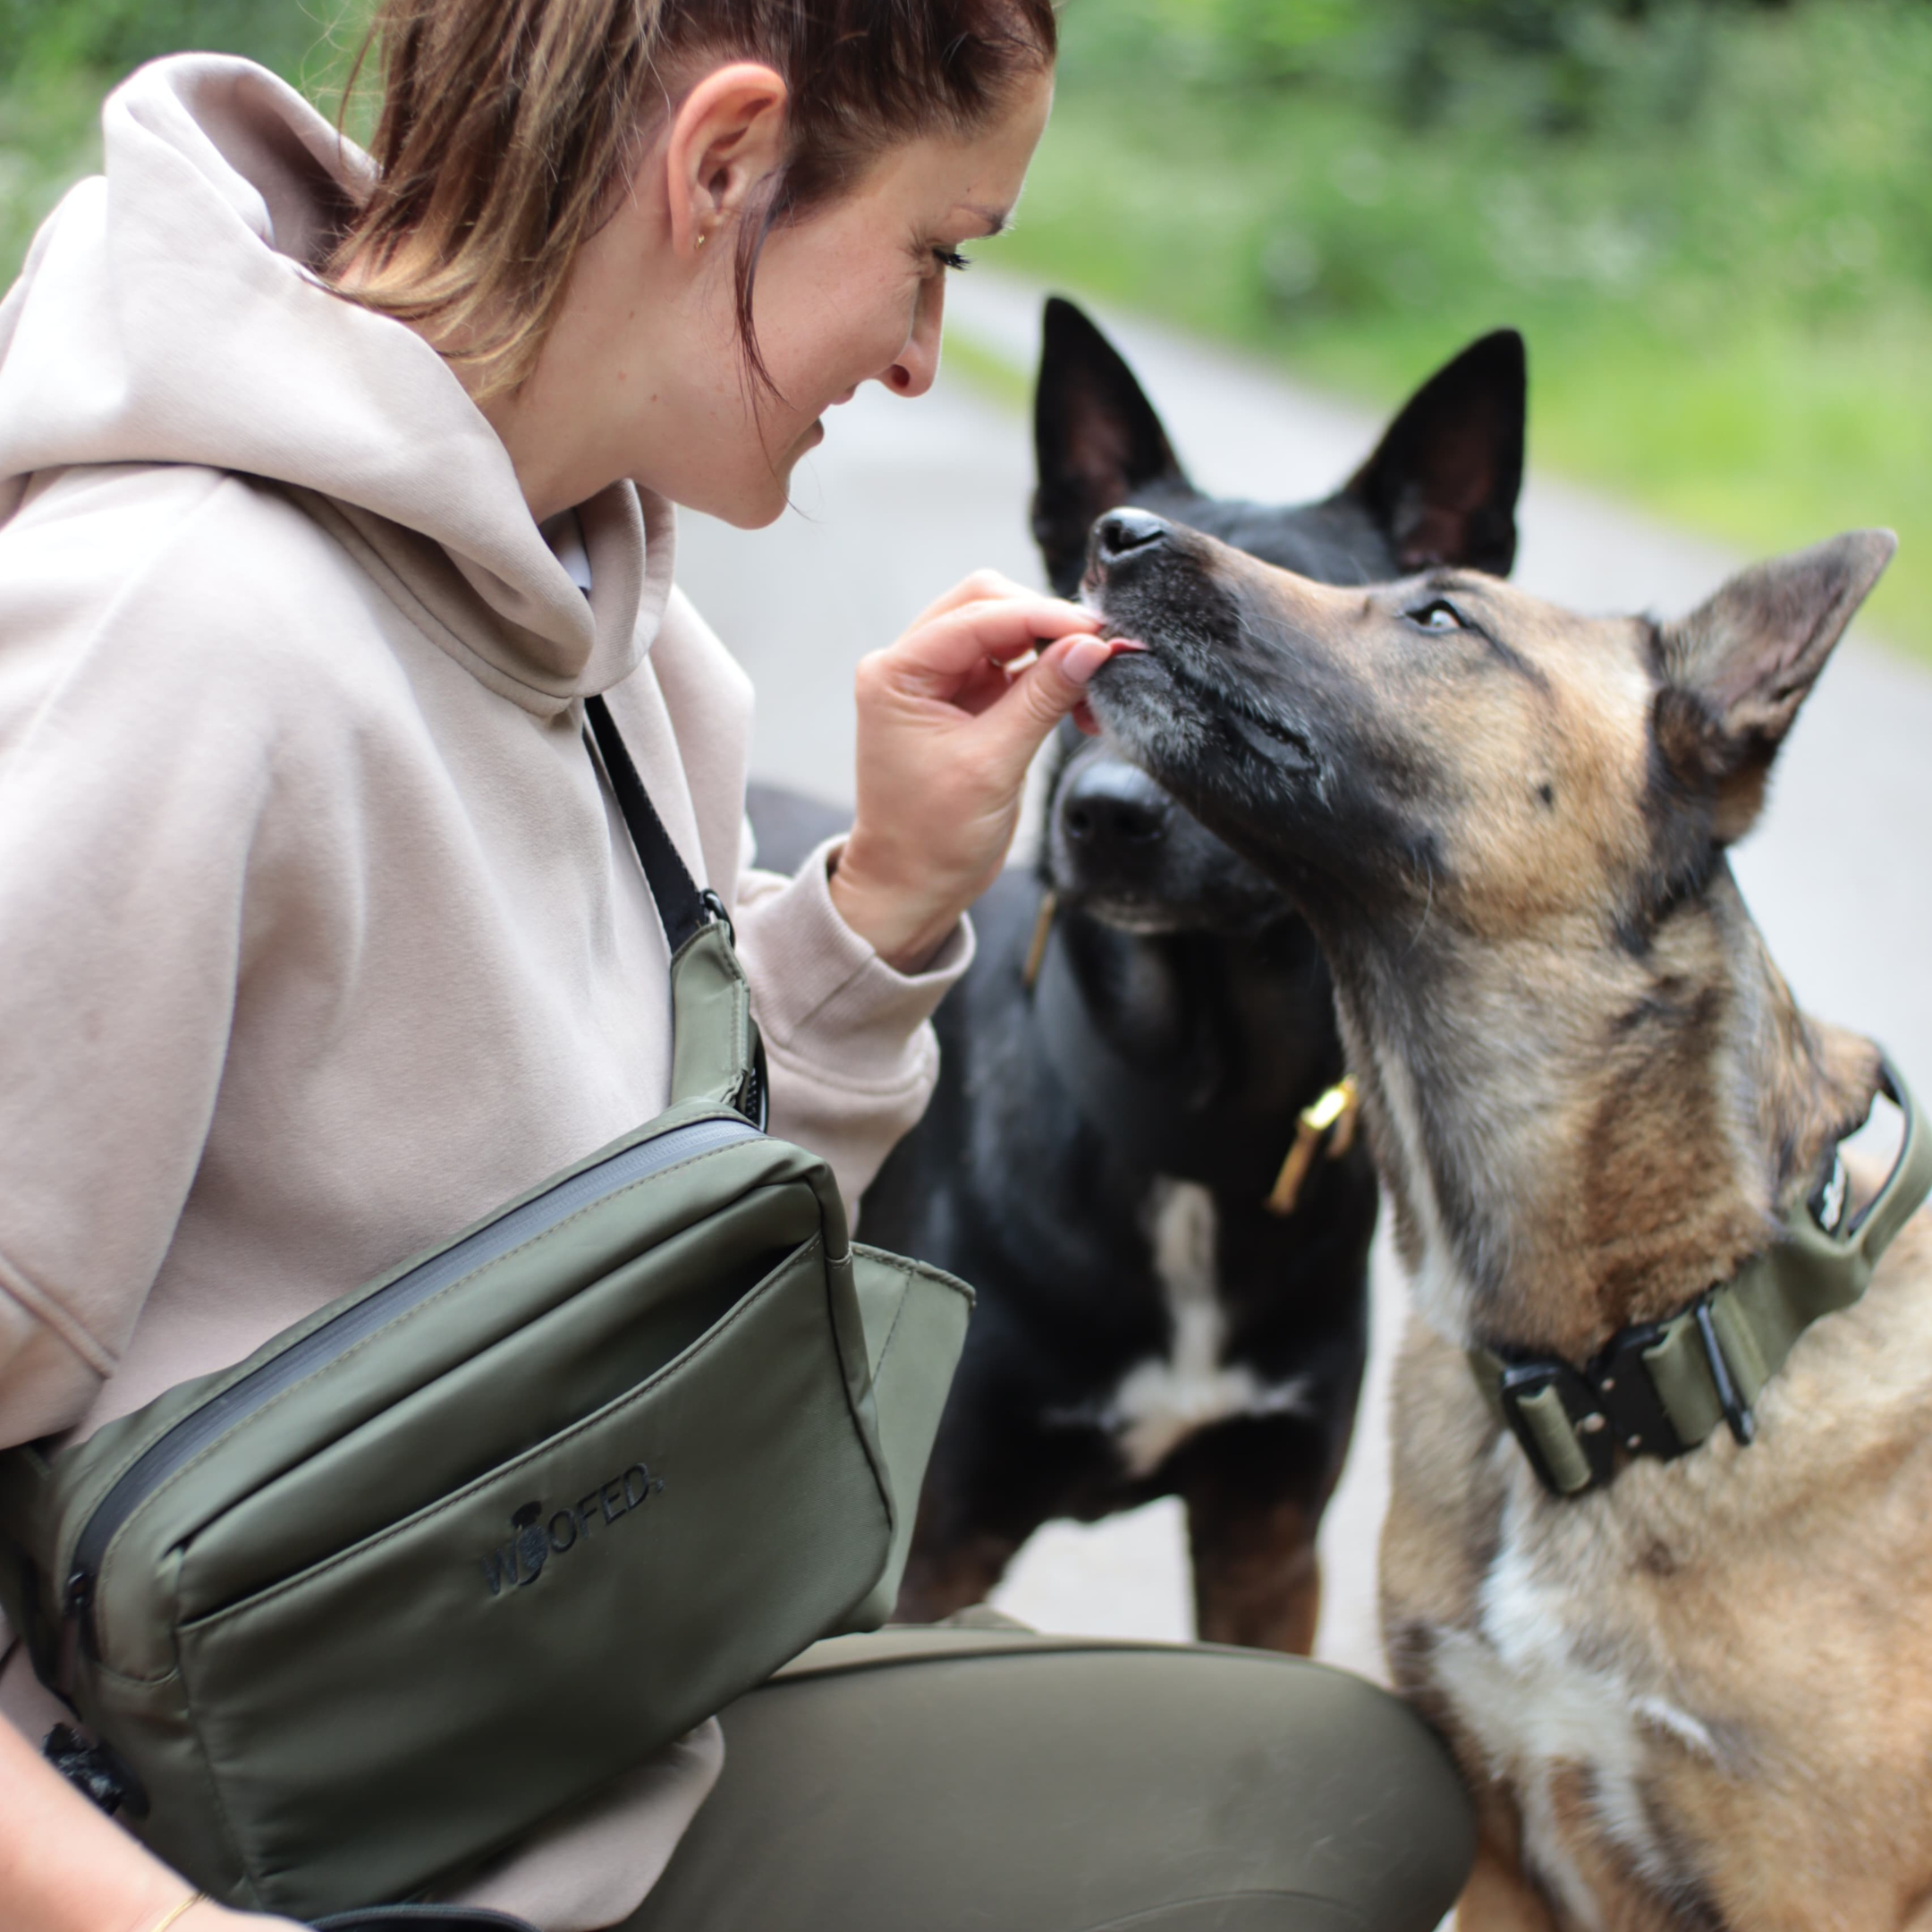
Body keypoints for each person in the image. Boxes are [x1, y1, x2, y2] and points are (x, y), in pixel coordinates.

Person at [0, 4, 1473, 1928]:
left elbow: (630, 1247)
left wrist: (877, 909)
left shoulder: (625, 636)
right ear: (722, 163)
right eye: (936, 254)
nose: (930, 360)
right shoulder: (176, 638)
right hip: (259, 1840)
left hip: (568, 1710)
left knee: (1344, 1794)